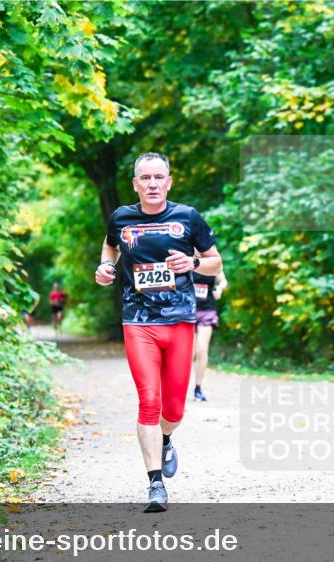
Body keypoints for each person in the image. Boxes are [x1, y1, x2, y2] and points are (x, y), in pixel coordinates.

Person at [95, 152, 223, 512]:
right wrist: (106, 267)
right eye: (145, 178)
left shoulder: (188, 217)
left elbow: (215, 263)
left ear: (169, 182)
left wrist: (194, 262)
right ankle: (155, 485)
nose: (152, 184)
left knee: (175, 409)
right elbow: (111, 246)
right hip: (138, 321)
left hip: (180, 320)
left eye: (158, 178)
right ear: (135, 184)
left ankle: (166, 438)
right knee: (148, 401)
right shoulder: (121, 217)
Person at [192, 269, 228, 401]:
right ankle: (179, 388)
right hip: (187, 310)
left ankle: (198, 388)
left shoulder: (212, 259)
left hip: (207, 310)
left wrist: (219, 288)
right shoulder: (186, 255)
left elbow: (223, 280)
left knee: (202, 349)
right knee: (189, 353)